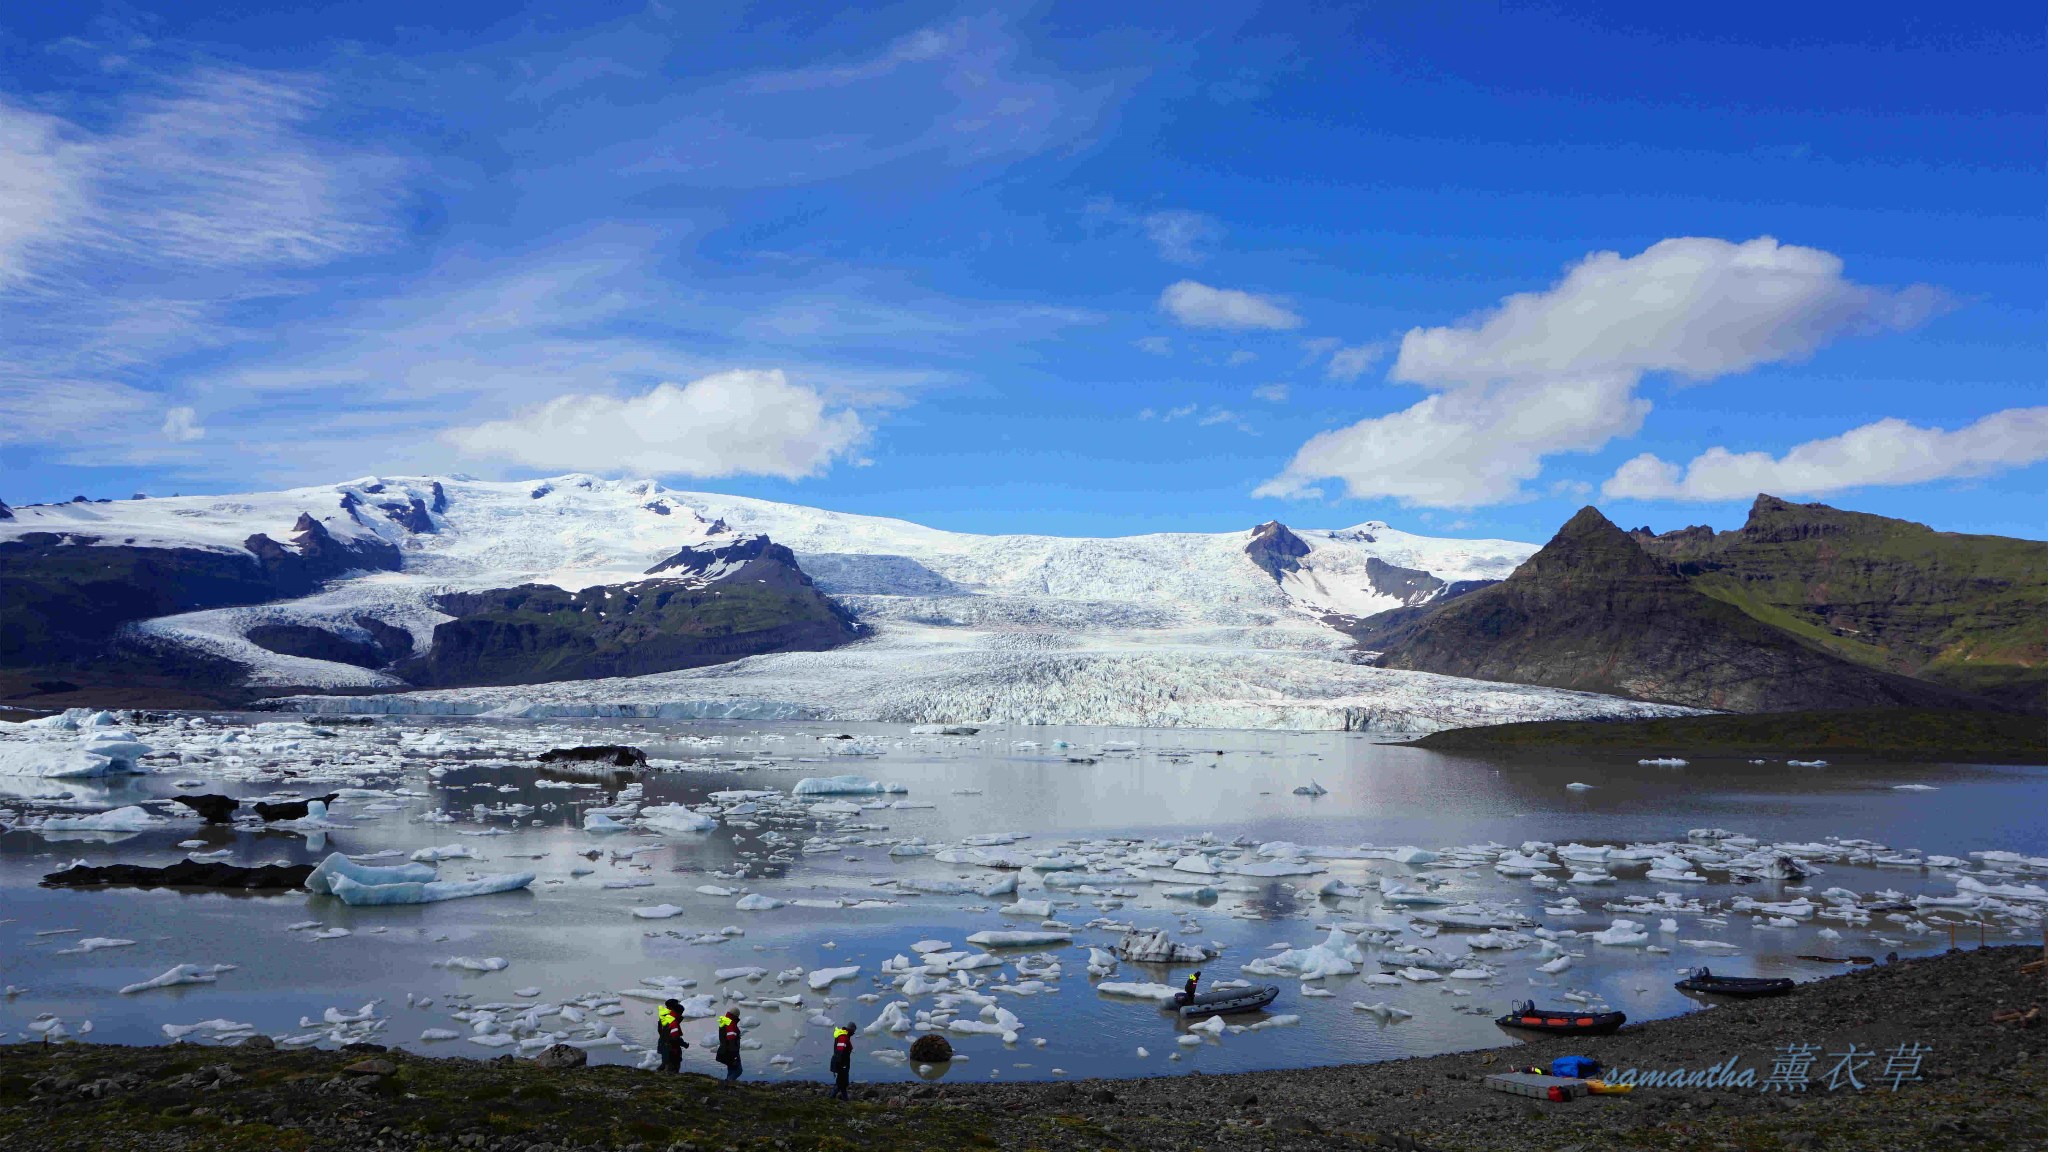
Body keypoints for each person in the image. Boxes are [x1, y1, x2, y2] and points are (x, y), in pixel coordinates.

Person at [655, 999, 689, 1073]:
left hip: (664, 1044)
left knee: (665, 1062)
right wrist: (683, 1044)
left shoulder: (665, 1018)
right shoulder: (674, 1022)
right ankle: (667, 1077)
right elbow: (675, 1038)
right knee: (672, 1067)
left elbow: (660, 1030)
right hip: (671, 1049)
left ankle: (659, 1073)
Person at [829, 1021, 857, 1101]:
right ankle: (833, 1098)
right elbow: (840, 1052)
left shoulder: (845, 1036)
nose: (854, 1032)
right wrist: (841, 1064)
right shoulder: (843, 1037)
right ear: (851, 1029)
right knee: (841, 1083)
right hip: (841, 1064)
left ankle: (841, 1099)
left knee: (842, 1083)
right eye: (854, 1030)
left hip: (841, 1063)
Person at [715, 1011, 742, 1085]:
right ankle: (727, 1083)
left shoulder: (725, 1021)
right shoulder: (730, 1023)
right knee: (738, 1070)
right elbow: (731, 1039)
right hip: (731, 1051)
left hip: (725, 1050)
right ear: (735, 1015)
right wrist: (734, 1054)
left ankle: (727, 1084)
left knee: (731, 1069)